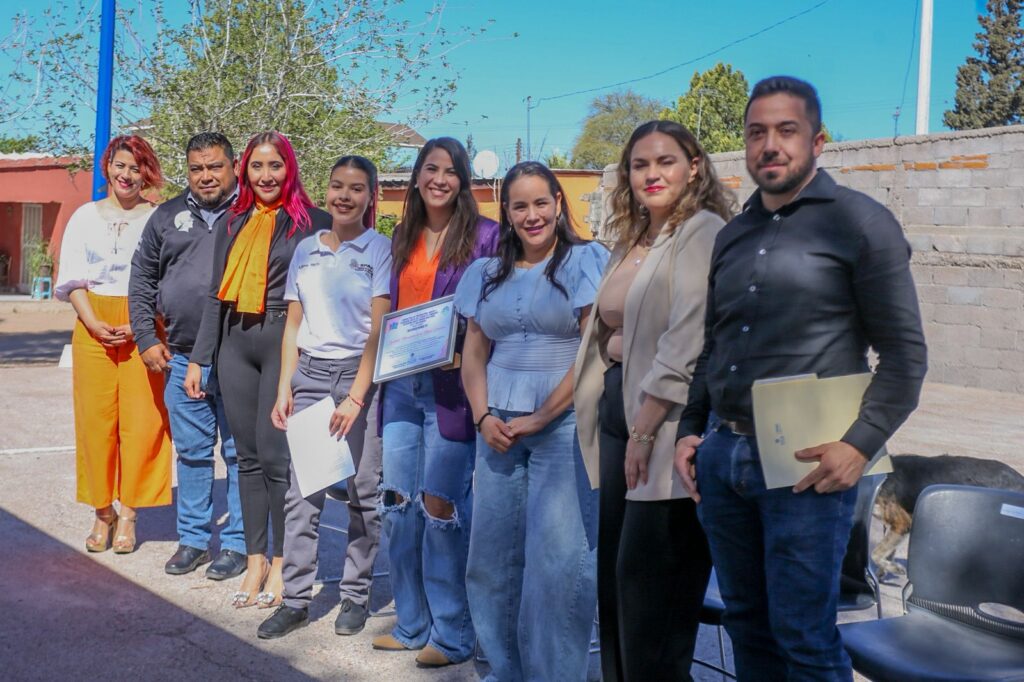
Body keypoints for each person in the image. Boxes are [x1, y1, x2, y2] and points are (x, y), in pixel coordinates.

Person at [674, 76, 928, 681]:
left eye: (786, 131)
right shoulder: (734, 235)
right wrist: (690, 430)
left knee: (804, 639)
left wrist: (859, 445)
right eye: (757, 132)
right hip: (725, 456)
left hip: (807, 468)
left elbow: (906, 356)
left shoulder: (861, 225)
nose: (770, 145)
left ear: (818, 140)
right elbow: (716, 345)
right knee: (748, 628)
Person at [575, 120, 733, 681]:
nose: (651, 174)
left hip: (665, 431)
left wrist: (644, 430)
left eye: (665, 161)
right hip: (620, 420)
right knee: (616, 590)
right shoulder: (633, 239)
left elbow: (688, 340)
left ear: (694, 167)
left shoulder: (702, 231)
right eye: (639, 165)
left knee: (653, 604)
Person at [457, 161, 608, 681]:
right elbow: (473, 354)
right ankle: (502, 671)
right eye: (519, 205)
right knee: (491, 561)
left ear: (559, 204)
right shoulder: (485, 271)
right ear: (507, 213)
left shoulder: (586, 260)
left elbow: (594, 351)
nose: (532, 214)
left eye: (541, 202)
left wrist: (543, 415)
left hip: (562, 427)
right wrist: (481, 416)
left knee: (558, 566)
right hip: (496, 428)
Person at [185, 131, 331, 609]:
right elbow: (214, 294)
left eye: (276, 166)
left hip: (283, 342)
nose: (266, 176)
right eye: (257, 167)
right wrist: (199, 358)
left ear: (290, 169)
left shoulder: (315, 224)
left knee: (275, 459)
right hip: (235, 343)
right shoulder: (232, 221)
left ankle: (285, 563)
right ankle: (254, 562)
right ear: (244, 171)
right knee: (243, 458)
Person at [372, 137, 499, 668]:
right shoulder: (401, 235)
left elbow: (494, 307)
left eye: (450, 171)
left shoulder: (488, 236)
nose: (439, 179)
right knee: (398, 505)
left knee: (441, 507)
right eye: (431, 169)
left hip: (451, 389)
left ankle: (452, 635)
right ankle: (410, 623)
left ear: (463, 179)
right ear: (418, 175)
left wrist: (463, 344)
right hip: (402, 386)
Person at [256, 155, 391, 640]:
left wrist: (356, 397)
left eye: (356, 189)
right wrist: (283, 388)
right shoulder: (307, 250)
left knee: (363, 496)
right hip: (310, 379)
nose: (345, 196)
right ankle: (295, 599)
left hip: (358, 379)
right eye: (337, 186)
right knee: (303, 497)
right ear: (326, 190)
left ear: (370, 196)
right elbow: (293, 325)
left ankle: (355, 595)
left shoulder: (379, 250)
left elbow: (379, 330)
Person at [129, 132, 247, 580]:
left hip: (238, 358)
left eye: (215, 166)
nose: (205, 176)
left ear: (233, 166)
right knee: (194, 455)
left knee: (239, 455)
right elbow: (141, 280)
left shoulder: (252, 214)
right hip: (179, 358)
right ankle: (194, 540)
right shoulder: (166, 216)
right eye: (197, 168)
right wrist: (145, 337)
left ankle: (237, 543)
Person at [55, 134, 171, 554]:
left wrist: (142, 324)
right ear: (107, 167)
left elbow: (165, 279)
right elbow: (72, 279)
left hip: (144, 323)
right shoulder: (84, 217)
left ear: (147, 173)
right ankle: (102, 512)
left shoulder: (159, 218)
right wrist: (95, 322)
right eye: (120, 165)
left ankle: (130, 514)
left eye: (136, 167)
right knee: (96, 423)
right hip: (93, 324)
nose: (127, 174)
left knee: (143, 424)